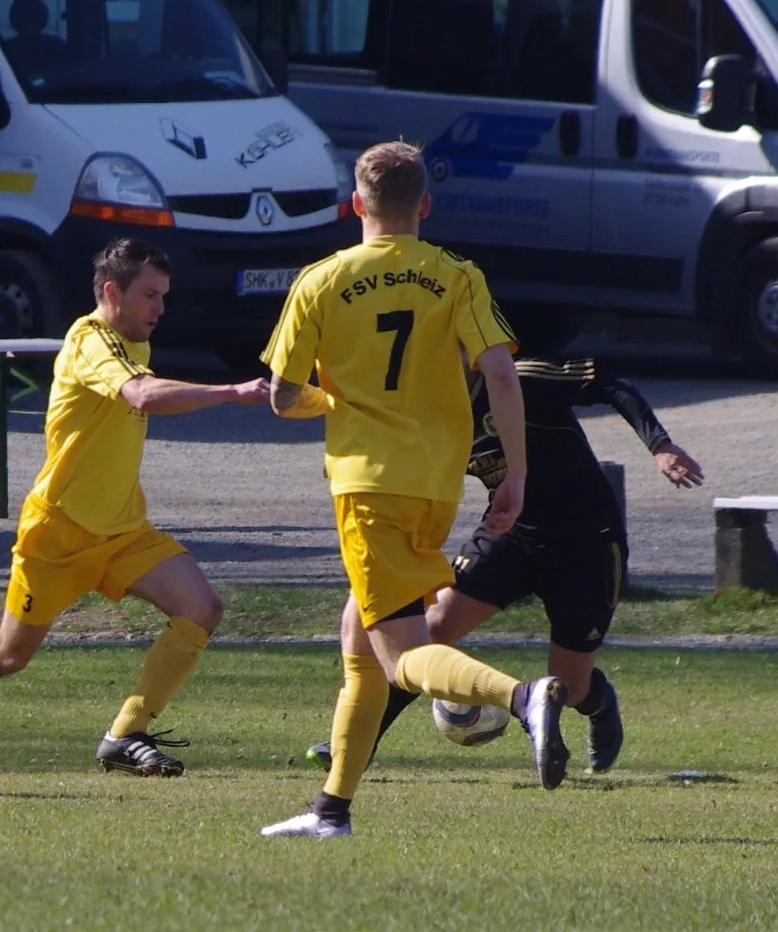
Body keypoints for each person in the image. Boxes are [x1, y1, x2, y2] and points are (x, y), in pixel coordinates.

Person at [256, 141, 569, 840]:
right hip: (435, 486)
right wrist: (516, 474)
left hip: (368, 485)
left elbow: (281, 395)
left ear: (355, 205)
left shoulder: (320, 280)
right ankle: (331, 810)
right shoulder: (456, 274)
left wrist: (330, 400)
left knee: (399, 656)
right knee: (360, 640)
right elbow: (501, 373)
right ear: (425, 204)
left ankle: (522, 699)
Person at [0, 238, 270, 777]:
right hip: (58, 533)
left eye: (164, 296)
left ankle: (125, 734)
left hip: (123, 531)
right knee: (8, 656)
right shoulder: (89, 341)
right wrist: (234, 392)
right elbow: (143, 396)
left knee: (202, 608)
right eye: (149, 295)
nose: (160, 308)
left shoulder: (134, 342)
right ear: (111, 292)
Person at [305, 357, 706, 776]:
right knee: (432, 630)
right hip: (510, 537)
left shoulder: (520, 378)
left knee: (569, 688)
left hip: (587, 545)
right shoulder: (428, 410)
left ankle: (599, 701)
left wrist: (660, 445)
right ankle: (358, 745)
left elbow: (609, 380)